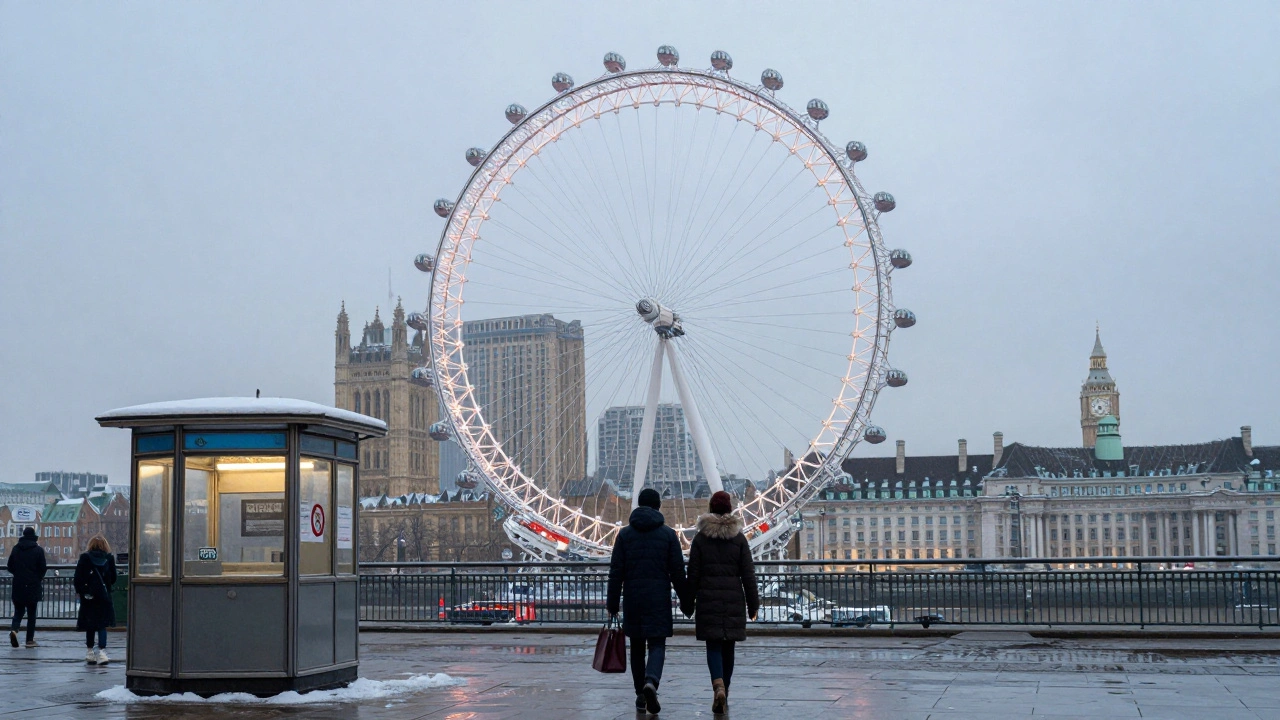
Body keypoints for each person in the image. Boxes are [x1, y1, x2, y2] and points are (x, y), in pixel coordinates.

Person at [607, 487, 688, 715]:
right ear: (658, 506)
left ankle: (640, 695)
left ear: (638, 506)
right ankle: (651, 681)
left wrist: (612, 603)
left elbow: (616, 572)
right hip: (658, 598)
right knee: (657, 644)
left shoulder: (624, 535)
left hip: (633, 598)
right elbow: (678, 573)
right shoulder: (668, 535)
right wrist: (686, 600)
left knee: (636, 648)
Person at [684, 490, 759, 716]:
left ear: (710, 508)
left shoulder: (700, 539)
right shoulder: (738, 538)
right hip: (733, 599)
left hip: (708, 600)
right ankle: (725, 689)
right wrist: (753, 604)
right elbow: (748, 574)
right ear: (729, 509)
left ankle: (718, 686)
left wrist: (688, 603)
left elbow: (693, 574)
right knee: (729, 648)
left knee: (713, 646)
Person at [74, 535, 118, 665]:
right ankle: (102, 652)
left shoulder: (85, 557)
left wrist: (84, 590)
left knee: (90, 625)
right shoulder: (109, 558)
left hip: (89, 597)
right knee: (102, 625)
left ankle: (89, 652)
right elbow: (114, 578)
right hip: (103, 596)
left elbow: (77, 578)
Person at [6, 526, 47, 648]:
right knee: (32, 614)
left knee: (18, 610)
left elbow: (10, 566)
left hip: (18, 584)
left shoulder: (16, 549)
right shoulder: (38, 550)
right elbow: (42, 568)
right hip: (33, 585)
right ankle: (29, 640)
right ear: (33, 536)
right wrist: (37, 578)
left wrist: (18, 574)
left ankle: (14, 629)